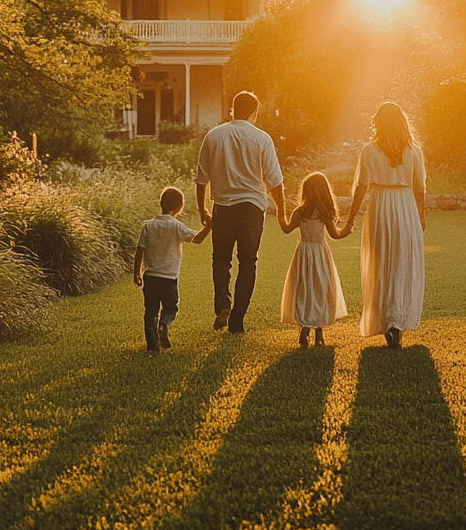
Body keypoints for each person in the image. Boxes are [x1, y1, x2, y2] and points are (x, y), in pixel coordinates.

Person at [195, 91, 286, 334]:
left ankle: (223, 304)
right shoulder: (262, 138)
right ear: (255, 111)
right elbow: (275, 182)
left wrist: (202, 208)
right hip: (252, 209)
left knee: (221, 260)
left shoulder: (214, 136)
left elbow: (201, 178)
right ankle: (237, 319)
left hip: (223, 207)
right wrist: (282, 213)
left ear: (232, 109)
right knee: (248, 263)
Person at [344, 102, 426, 348]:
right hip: (406, 206)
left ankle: (387, 320)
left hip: (380, 206)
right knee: (401, 264)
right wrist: (421, 216)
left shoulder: (370, 150)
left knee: (381, 265)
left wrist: (351, 218)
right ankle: (396, 320)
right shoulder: (414, 151)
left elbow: (361, 187)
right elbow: (419, 188)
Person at [134, 186, 212, 357]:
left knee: (150, 312)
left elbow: (140, 250)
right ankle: (164, 323)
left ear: (160, 203)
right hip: (169, 278)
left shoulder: (148, 226)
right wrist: (210, 225)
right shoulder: (176, 226)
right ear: (179, 208)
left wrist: (137, 274)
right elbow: (198, 239)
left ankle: (152, 349)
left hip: (150, 277)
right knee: (171, 308)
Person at [277, 171, 351, 347]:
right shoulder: (325, 212)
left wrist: (280, 213)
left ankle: (305, 327)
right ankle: (319, 335)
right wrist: (349, 228)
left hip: (303, 254)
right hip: (321, 254)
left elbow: (287, 229)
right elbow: (335, 234)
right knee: (321, 290)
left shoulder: (300, 212)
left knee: (305, 290)